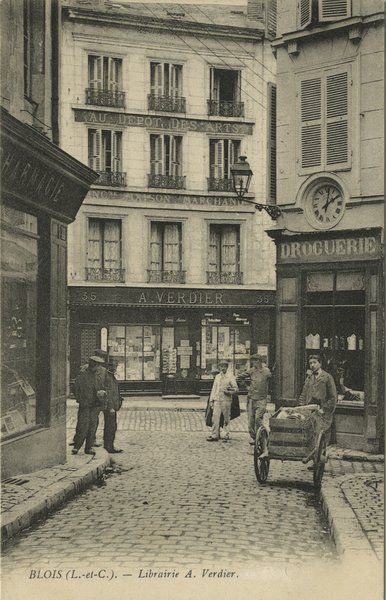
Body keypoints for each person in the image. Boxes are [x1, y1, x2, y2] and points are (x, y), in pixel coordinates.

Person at [298, 353, 337, 465]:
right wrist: (301, 407)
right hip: (309, 411)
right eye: (310, 363)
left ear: (320, 363)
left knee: (319, 435)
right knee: (308, 434)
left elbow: (333, 397)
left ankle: (318, 460)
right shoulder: (309, 378)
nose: (312, 365)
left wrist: (324, 410)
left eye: (314, 362)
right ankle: (314, 457)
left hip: (322, 412)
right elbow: (303, 394)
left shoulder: (327, 377)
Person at [72, 356, 107, 455]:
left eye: (97, 365)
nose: (96, 367)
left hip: (95, 404)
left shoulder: (98, 376)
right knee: (82, 426)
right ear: (91, 365)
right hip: (85, 404)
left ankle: (89, 447)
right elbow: (75, 388)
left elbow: (102, 387)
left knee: (92, 427)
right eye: (95, 365)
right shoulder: (82, 375)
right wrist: (80, 399)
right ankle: (76, 446)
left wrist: (102, 394)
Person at [238, 354, 271, 450]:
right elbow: (239, 377)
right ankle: (255, 437)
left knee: (258, 418)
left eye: (255, 361)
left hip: (261, 399)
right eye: (252, 361)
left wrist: (268, 392)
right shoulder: (252, 371)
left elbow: (273, 380)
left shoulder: (266, 372)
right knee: (250, 421)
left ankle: (262, 435)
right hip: (251, 398)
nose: (253, 363)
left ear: (259, 361)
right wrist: (246, 387)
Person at [207, 359, 238, 442]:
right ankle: (215, 435)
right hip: (217, 399)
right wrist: (211, 400)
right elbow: (214, 389)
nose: (222, 368)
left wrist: (229, 391)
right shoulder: (217, 377)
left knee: (226, 418)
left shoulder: (230, 376)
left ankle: (225, 434)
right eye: (221, 367)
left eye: (224, 367)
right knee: (215, 417)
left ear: (227, 367)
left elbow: (236, 389)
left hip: (226, 400)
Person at [103, 359, 123, 453]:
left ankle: (109, 445)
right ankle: (109, 446)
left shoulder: (111, 376)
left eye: (116, 366)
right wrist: (111, 407)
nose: (115, 368)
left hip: (113, 407)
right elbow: (109, 393)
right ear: (109, 367)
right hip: (110, 408)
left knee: (112, 426)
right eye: (114, 366)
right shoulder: (108, 377)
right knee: (110, 427)